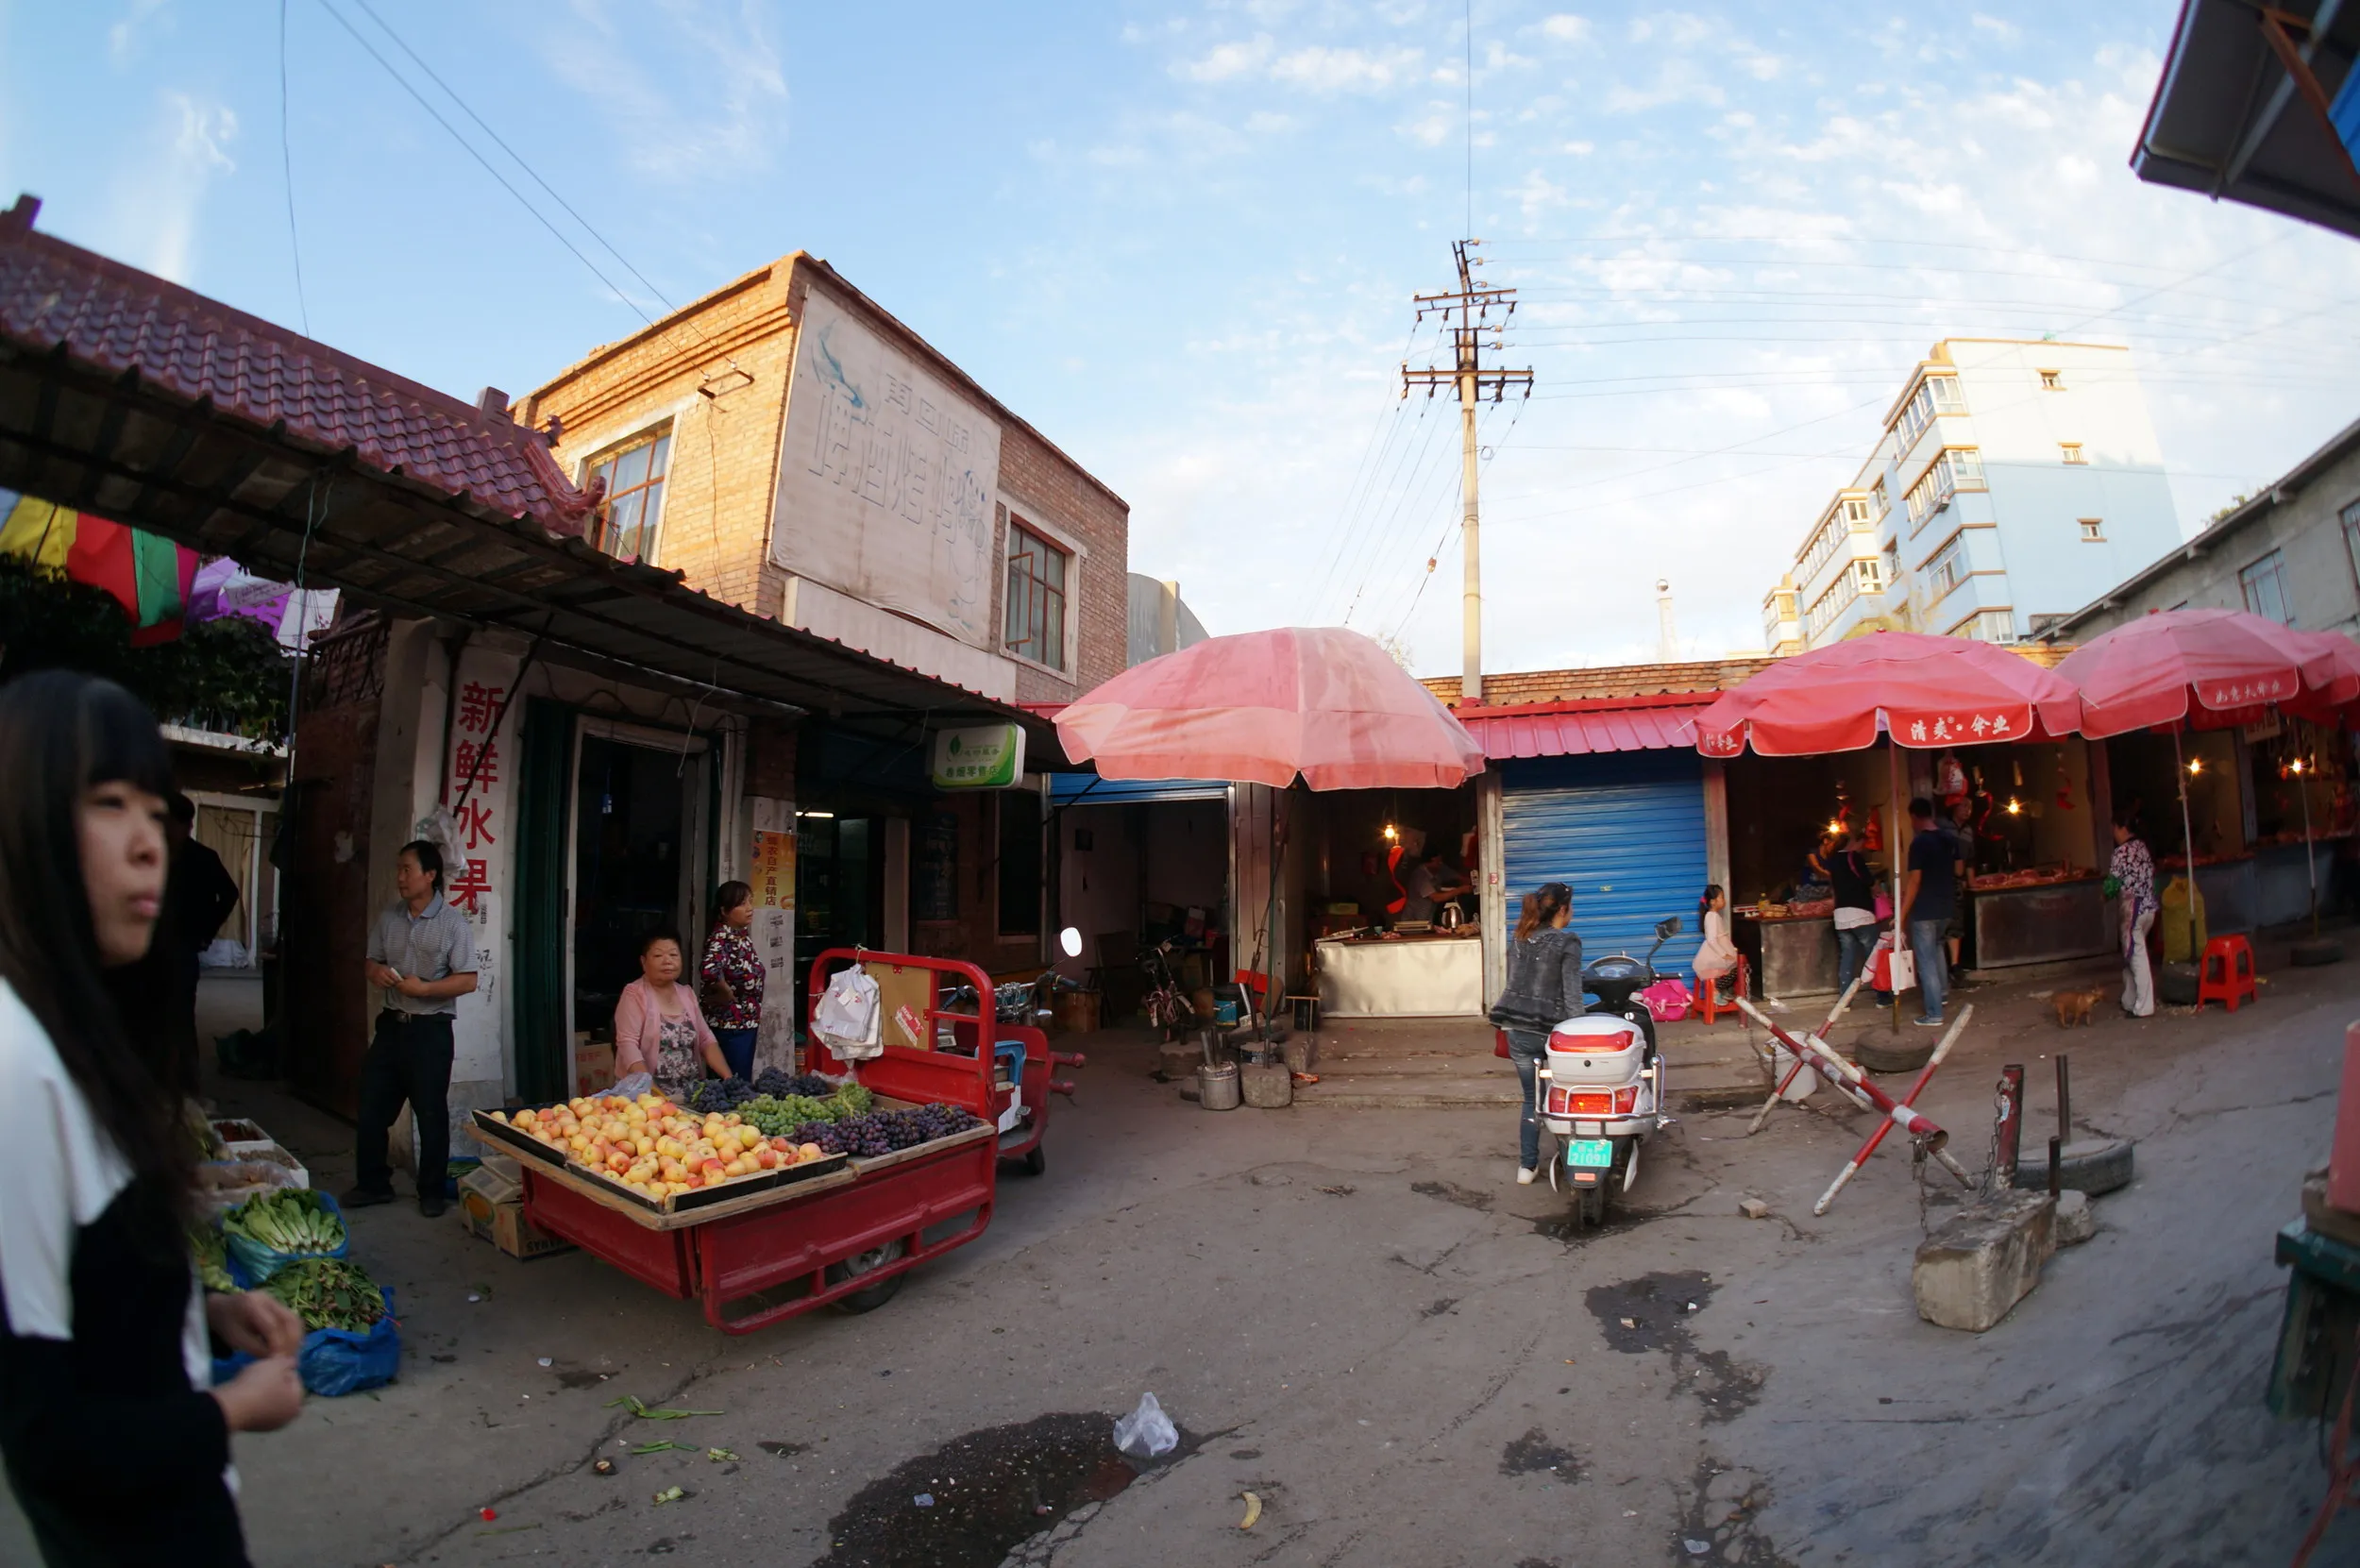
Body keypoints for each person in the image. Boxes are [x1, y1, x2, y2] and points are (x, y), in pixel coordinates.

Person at [0, 670, 305, 1567]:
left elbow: (76, 1290)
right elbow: (49, 1438)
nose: (149, 847)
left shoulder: (78, 1039)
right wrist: (234, 1408)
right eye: (107, 804)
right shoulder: (15, 1067)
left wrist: (202, 1311)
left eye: (155, 811)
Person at [347, 840, 479, 1219]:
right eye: (399, 869)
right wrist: (378, 975)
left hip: (431, 1032)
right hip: (392, 1027)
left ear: (431, 875)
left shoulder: (453, 923)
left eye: (407, 869)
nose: (400, 877)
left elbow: (468, 980)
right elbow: (371, 962)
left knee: (431, 1115)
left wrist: (425, 989)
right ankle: (373, 1184)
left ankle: (432, 1192)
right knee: (372, 1108)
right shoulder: (389, 918)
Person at [1487, 883, 1584, 1186]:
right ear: (1563, 910)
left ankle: (1527, 1167)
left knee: (1532, 1099)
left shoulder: (1518, 940)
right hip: (1550, 1032)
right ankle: (1575, 1161)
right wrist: (1582, 1036)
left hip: (1516, 1029)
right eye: (1572, 906)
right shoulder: (1567, 941)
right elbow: (1572, 997)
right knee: (1570, 1097)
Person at [162, 794, 240, 1090]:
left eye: (174, 824)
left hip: (183, 948)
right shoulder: (153, 855)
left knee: (181, 1017)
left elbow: (230, 894)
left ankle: (187, 1087)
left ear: (187, 826)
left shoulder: (202, 858)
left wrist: (207, 930)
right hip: (149, 949)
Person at [615, 927, 731, 1105]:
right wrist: (653, 1093)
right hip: (648, 1098)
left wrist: (729, 1078)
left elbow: (706, 1039)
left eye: (673, 955)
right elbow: (627, 1044)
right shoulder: (634, 994)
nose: (667, 961)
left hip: (690, 1095)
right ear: (643, 962)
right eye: (658, 956)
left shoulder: (687, 994)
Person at [1893, 798, 1955, 1027]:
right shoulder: (1948, 839)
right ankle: (1943, 995)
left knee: (1926, 960)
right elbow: (1957, 869)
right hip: (1946, 907)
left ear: (1914, 816)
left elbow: (1914, 881)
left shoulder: (1919, 844)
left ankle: (1934, 1013)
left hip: (1926, 909)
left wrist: (1901, 914)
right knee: (1937, 949)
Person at [699, 881, 764, 1081]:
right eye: (742, 904)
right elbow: (709, 971)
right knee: (732, 1084)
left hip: (745, 1023)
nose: (749, 908)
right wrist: (725, 992)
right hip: (730, 1026)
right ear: (725, 910)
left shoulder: (740, 936)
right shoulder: (722, 937)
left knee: (740, 1080)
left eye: (750, 902)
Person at [2110, 811, 2158, 1018]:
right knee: (2131, 954)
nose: (2113, 833)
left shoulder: (2121, 853)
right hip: (2149, 910)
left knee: (2137, 957)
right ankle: (2129, 1000)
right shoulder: (2142, 847)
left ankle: (2144, 1006)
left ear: (2122, 828)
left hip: (2134, 912)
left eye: (2114, 828)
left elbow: (2112, 884)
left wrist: (2103, 895)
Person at [1828, 831, 1884, 1001]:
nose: (1863, 848)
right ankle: (1882, 996)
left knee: (1847, 956)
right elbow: (1870, 882)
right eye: (1862, 844)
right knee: (1873, 955)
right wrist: (1878, 891)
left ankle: (1845, 1000)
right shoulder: (1855, 858)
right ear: (1855, 841)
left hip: (1840, 915)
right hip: (1861, 912)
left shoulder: (1833, 860)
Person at [1693, 885, 1740, 1001]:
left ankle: (1723, 990)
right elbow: (1712, 940)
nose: (1724, 900)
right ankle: (1717, 990)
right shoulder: (1712, 916)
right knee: (1737, 968)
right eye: (1722, 897)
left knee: (1737, 967)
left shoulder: (1713, 915)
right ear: (1713, 902)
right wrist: (1724, 955)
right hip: (1715, 955)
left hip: (1718, 952)